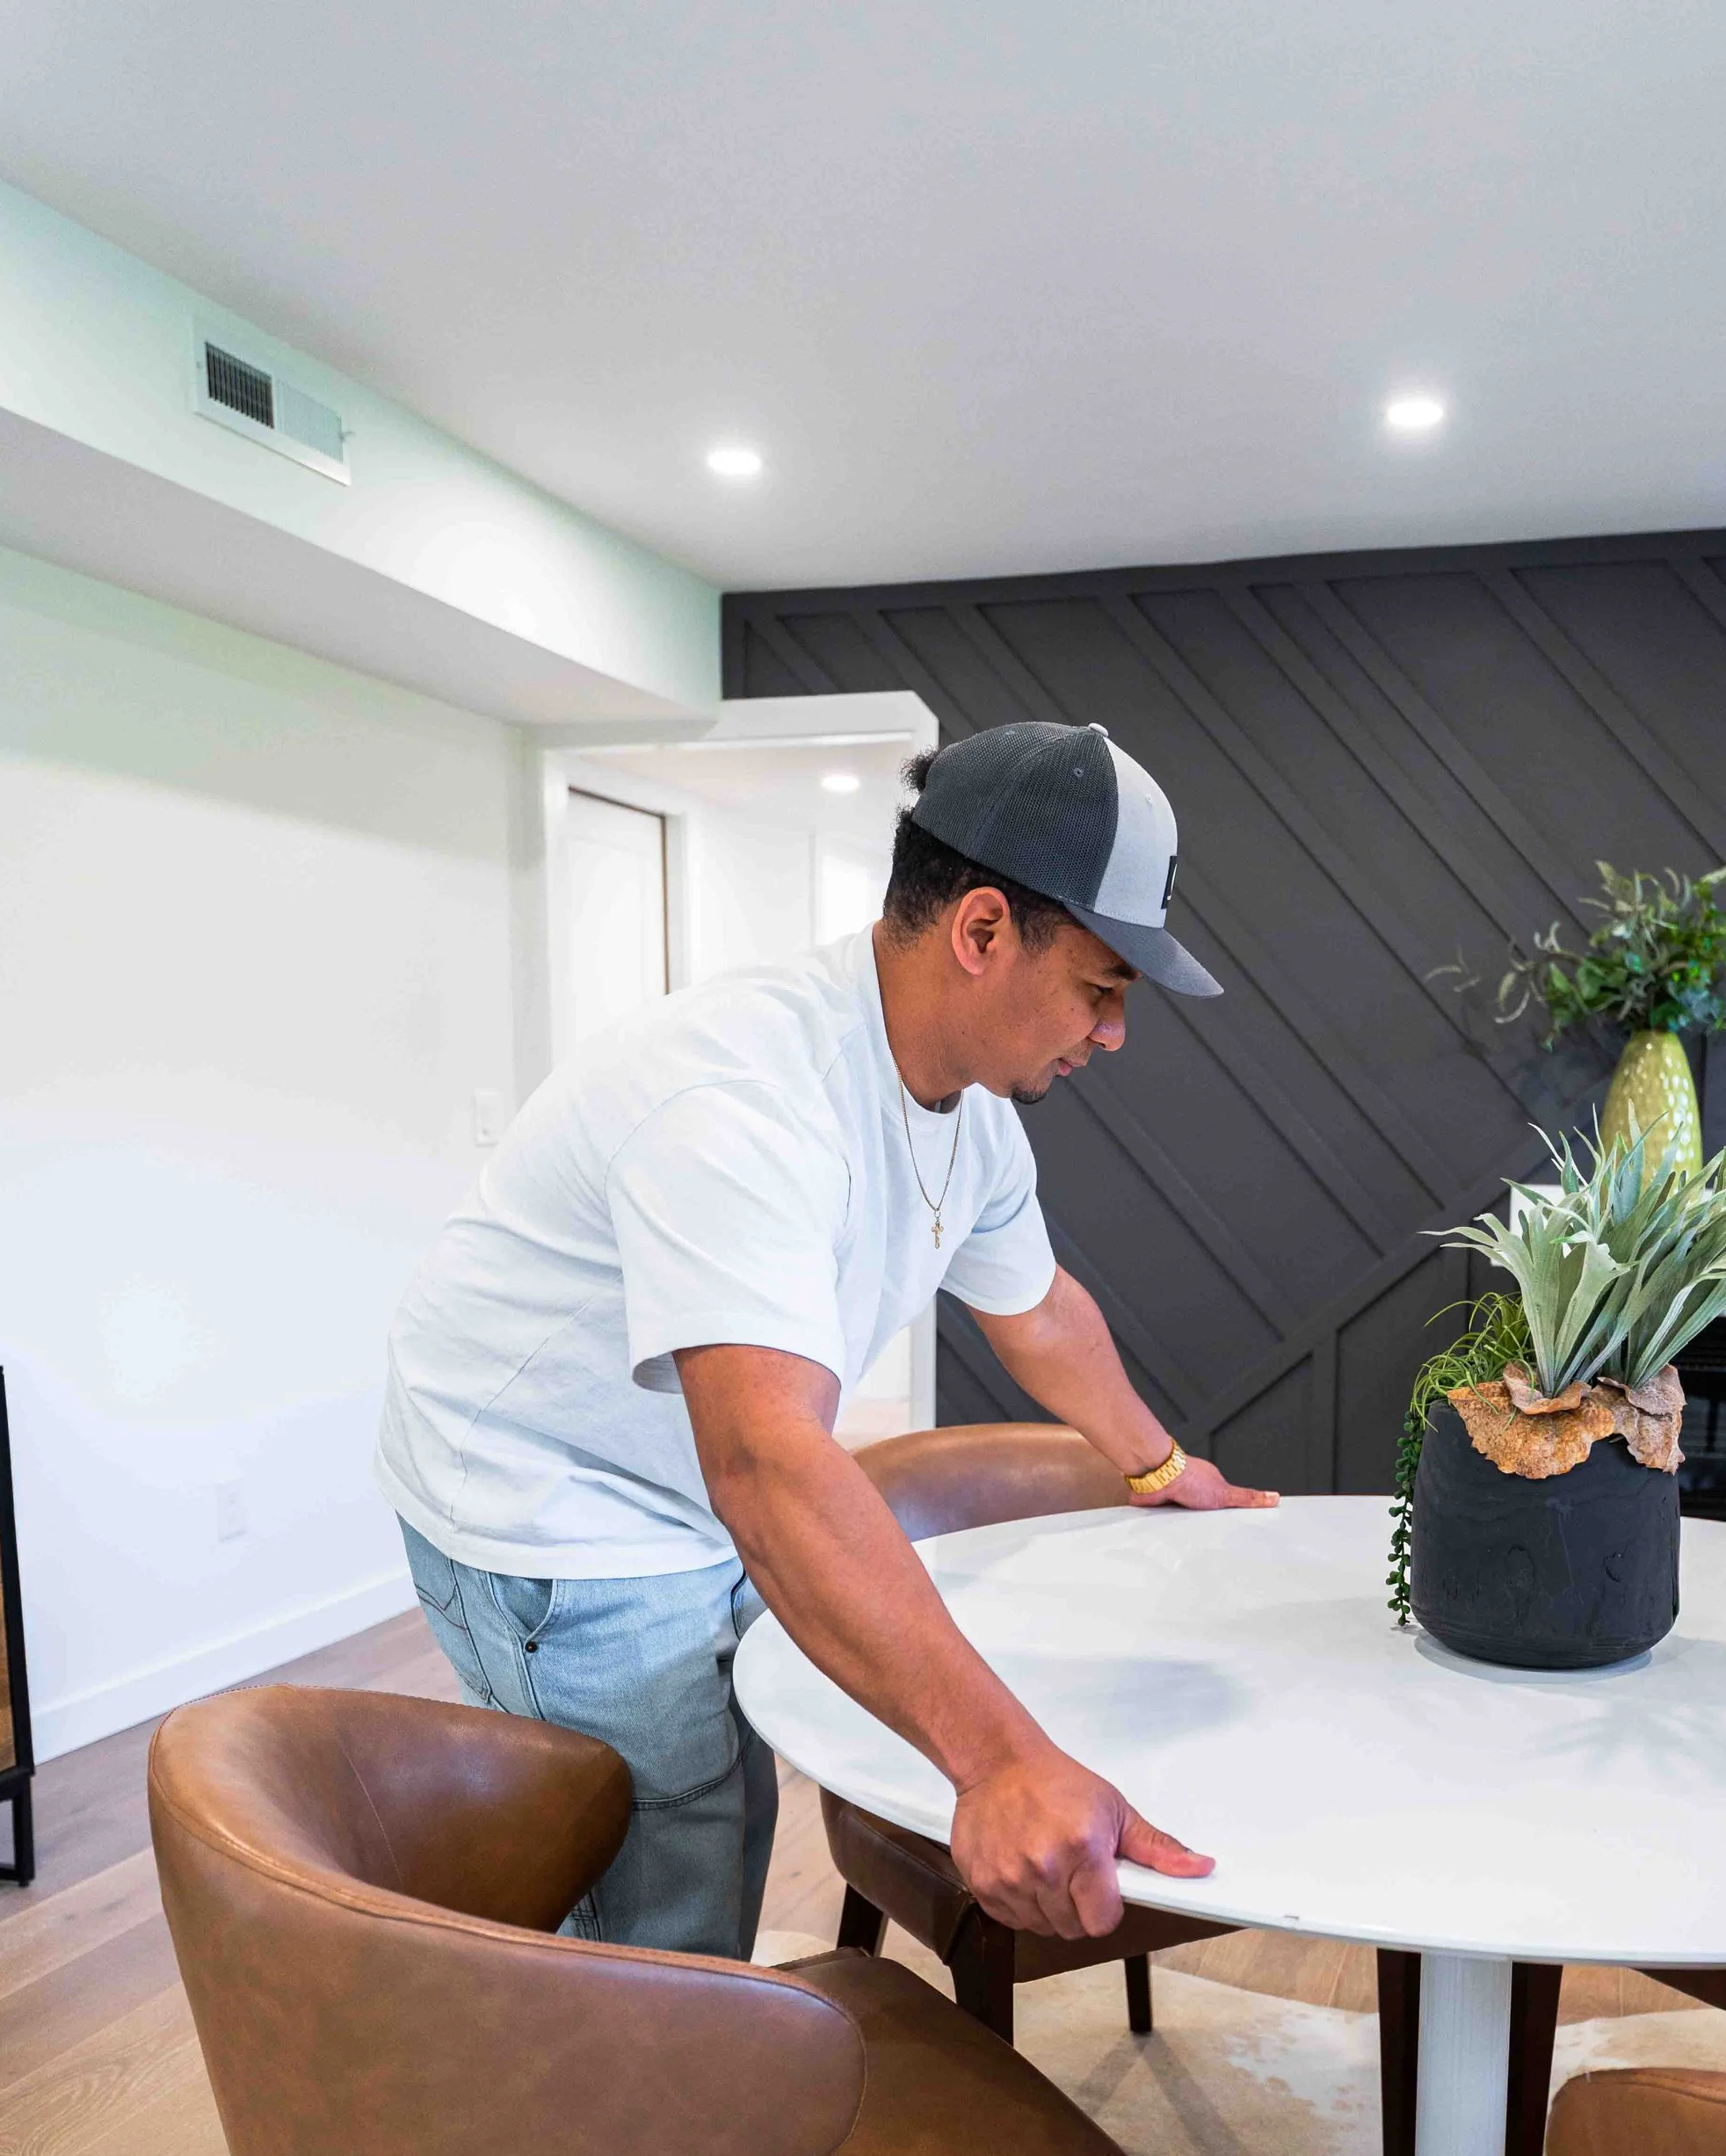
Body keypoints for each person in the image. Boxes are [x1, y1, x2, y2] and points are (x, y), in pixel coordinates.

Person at [376, 718, 1275, 1969]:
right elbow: (763, 1465)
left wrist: (1160, 1465)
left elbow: (1041, 1309)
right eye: (1103, 989)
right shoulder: (741, 1100)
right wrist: (1004, 1765)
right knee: (682, 1849)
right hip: (555, 1498)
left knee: (798, 1732)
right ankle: (617, 2129)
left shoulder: (969, 1117)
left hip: (693, 1474)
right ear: (981, 933)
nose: (1115, 1033)